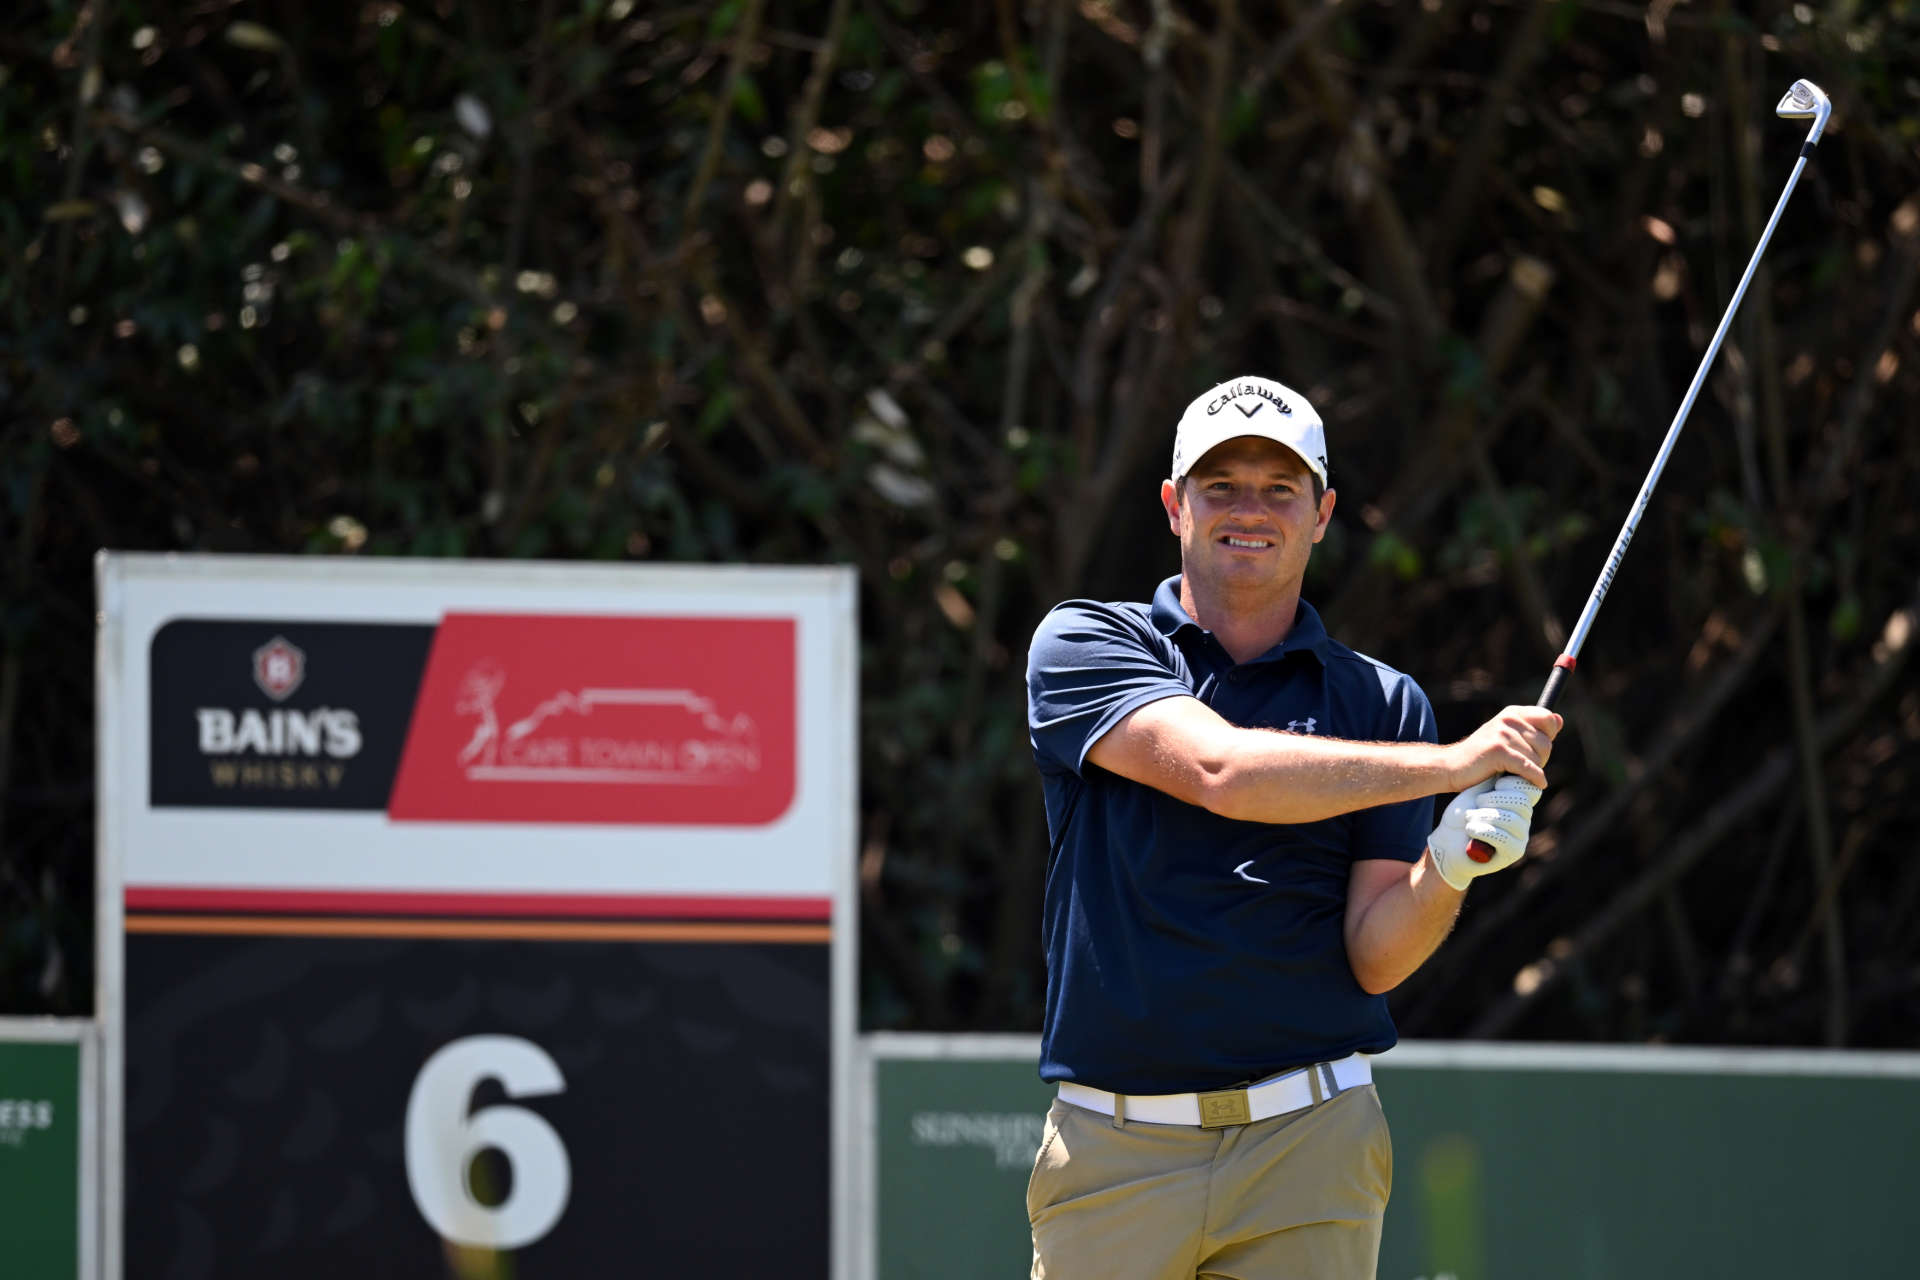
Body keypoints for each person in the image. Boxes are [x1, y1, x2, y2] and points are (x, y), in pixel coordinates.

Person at [1023, 375, 1561, 1279]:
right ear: (1174, 505)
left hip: (1309, 1150)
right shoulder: (1084, 643)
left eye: (1281, 489)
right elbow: (1220, 771)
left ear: (1321, 515)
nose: (1250, 510)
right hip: (1116, 1150)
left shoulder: (1382, 701)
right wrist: (1454, 765)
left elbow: (1376, 956)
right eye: (1220, 485)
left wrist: (1452, 862)